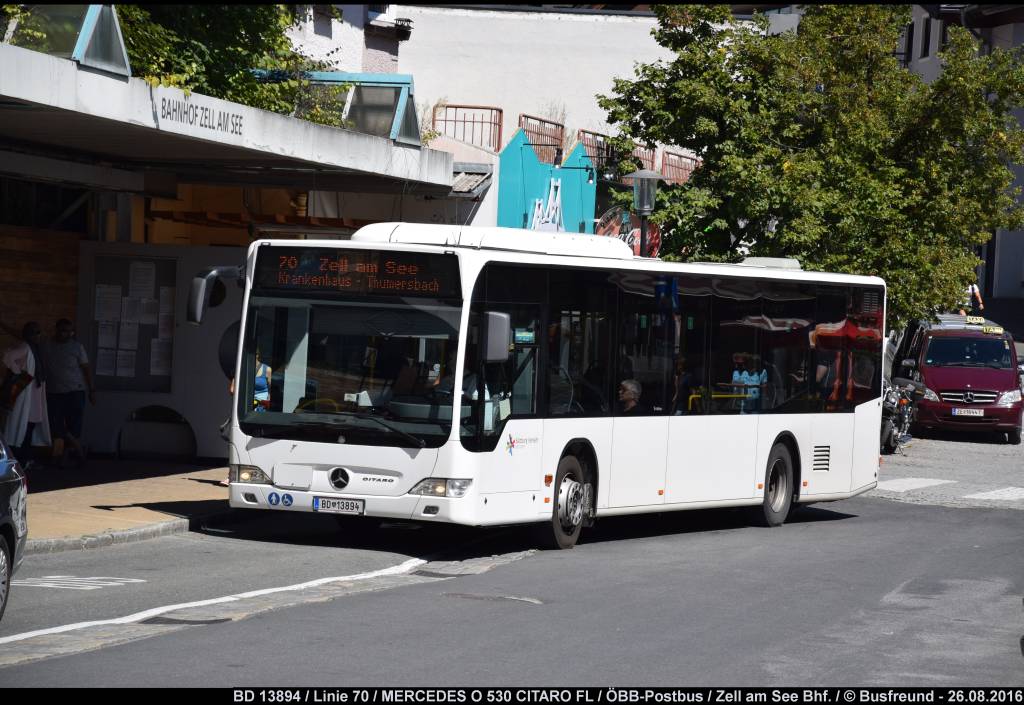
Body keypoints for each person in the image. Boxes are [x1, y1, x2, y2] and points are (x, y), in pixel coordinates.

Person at [42, 319, 95, 468]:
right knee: (56, 424)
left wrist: (92, 390)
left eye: (69, 331)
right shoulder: (46, 344)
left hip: (75, 391)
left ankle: (61, 456)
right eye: (63, 330)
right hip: (54, 392)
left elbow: (86, 368)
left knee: (75, 425)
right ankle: (78, 452)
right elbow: (22, 336)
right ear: (57, 330)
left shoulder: (77, 347)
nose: (66, 334)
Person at [1, 322, 52, 468]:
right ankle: (22, 459)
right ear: (28, 334)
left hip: (34, 391)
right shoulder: (25, 347)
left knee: (30, 425)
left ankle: (26, 458)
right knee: (23, 424)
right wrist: (19, 372)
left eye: (39, 332)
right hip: (26, 388)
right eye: (35, 333)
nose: (38, 335)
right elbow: (7, 356)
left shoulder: (36, 348)